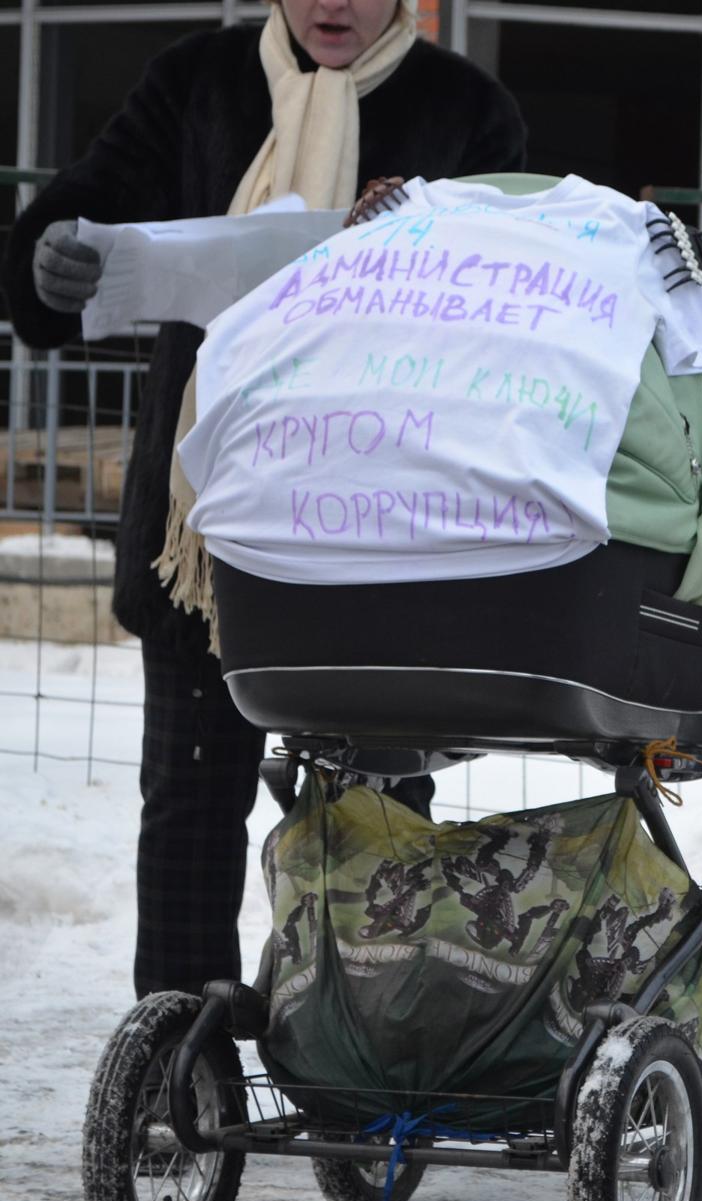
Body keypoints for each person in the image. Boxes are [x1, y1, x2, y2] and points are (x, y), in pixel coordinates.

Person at [0, 0, 526, 998]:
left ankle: (364, 1058)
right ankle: (178, 1065)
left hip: (374, 537)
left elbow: (495, 308)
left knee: (377, 813)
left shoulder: (469, 113)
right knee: (191, 805)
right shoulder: (198, 83)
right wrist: (48, 256)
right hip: (204, 526)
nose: (334, 6)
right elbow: (85, 208)